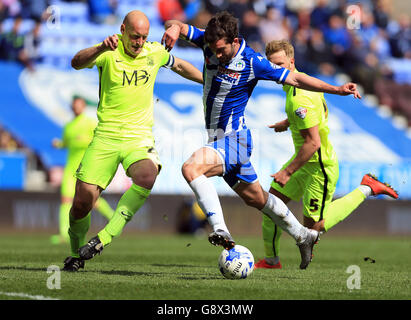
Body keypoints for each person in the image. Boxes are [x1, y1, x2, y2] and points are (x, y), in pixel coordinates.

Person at [162, 11, 361, 269]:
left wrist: (336, 89)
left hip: (234, 139)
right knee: (258, 199)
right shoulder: (207, 42)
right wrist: (174, 29)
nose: (217, 55)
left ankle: (221, 230)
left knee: (191, 168)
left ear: (235, 40)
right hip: (219, 140)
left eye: (222, 50)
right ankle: (304, 236)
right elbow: (175, 24)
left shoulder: (253, 61)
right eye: (213, 49)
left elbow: (296, 78)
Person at [62, 10, 203, 271]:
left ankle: (103, 238)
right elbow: (76, 62)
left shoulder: (154, 52)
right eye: (135, 36)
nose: (139, 42)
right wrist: (98, 49)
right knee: (82, 204)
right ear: (123, 29)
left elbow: (181, 65)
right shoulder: (108, 49)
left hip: (139, 137)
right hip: (106, 136)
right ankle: (75, 254)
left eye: (144, 37)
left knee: (147, 176)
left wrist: (207, 81)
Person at [254, 40, 399, 269]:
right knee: (271, 205)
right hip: (303, 160)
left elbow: (313, 143)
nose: (275, 70)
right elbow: (312, 117)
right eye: (272, 65)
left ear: (292, 62)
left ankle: (367, 187)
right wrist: (289, 122)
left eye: (280, 64)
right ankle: (272, 260)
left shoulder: (300, 98)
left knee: (313, 229)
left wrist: (286, 172)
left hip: (318, 164)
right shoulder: (297, 83)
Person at [50, 96, 115, 245]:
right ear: (72, 107)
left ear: (83, 106)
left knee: (90, 200)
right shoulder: (69, 126)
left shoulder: (90, 123)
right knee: (65, 200)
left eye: (79, 105)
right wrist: (58, 144)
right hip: (70, 168)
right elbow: (66, 143)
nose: (76, 108)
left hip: (86, 166)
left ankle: (113, 217)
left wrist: (82, 141)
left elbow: (98, 139)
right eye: (74, 105)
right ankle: (64, 234)